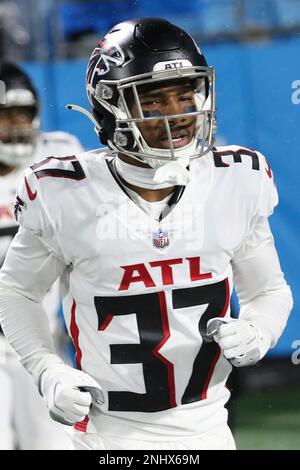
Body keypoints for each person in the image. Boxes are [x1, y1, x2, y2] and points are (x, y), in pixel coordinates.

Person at [0, 18, 293, 451]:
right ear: (110, 106)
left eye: (186, 93)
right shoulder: (63, 194)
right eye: (153, 100)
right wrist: (46, 368)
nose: (179, 114)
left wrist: (259, 329)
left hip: (209, 432)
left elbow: (269, 290)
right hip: (105, 438)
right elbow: (17, 293)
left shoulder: (236, 180)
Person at [0, 61, 84, 449]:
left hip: (39, 342)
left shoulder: (59, 158)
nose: (15, 124)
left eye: (23, 113)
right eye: (4, 115)